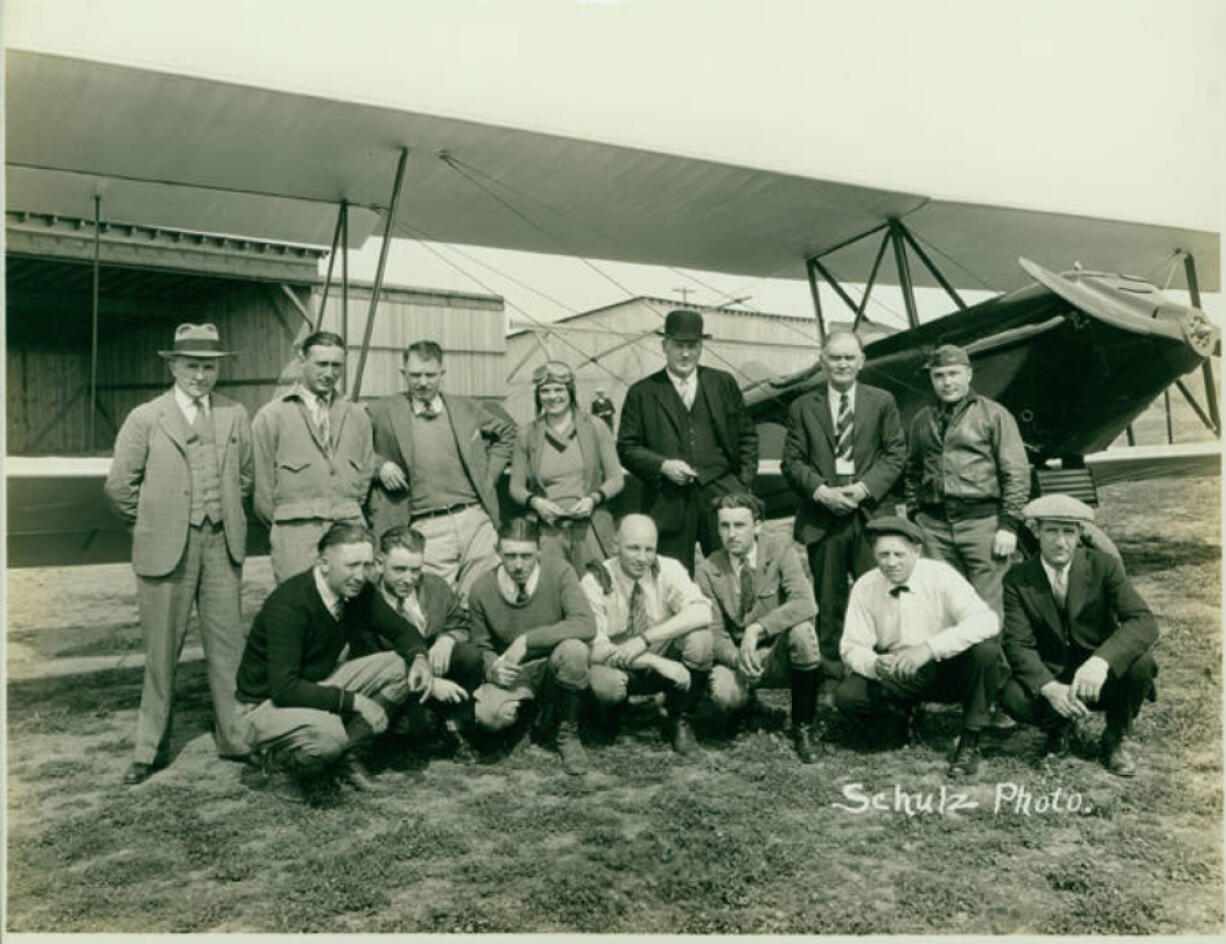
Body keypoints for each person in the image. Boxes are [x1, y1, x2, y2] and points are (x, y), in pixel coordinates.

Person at [104, 322, 254, 785]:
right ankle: (149, 750)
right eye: (192, 365)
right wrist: (154, 523)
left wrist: (219, 516)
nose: (201, 375)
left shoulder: (235, 414)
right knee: (161, 652)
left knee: (229, 649)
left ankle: (237, 738)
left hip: (221, 548)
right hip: (165, 549)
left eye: (209, 366)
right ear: (173, 366)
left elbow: (245, 480)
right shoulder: (146, 417)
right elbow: (119, 487)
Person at [234, 523, 432, 802]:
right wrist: (356, 701)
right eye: (351, 565)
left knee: (400, 666)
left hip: (312, 686)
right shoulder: (290, 604)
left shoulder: (356, 591)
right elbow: (284, 687)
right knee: (329, 738)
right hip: (264, 704)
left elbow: (401, 630)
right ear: (323, 563)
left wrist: (420, 659)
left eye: (366, 565)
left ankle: (346, 760)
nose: (360, 575)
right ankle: (278, 765)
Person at [1000, 495, 1158, 776]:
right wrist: (1048, 687)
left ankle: (1114, 740)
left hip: (1098, 680)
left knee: (1141, 664)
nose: (1061, 542)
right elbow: (1017, 643)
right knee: (1012, 695)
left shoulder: (1103, 566)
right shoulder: (1017, 578)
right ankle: (1057, 731)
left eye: (1069, 532)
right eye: (1051, 531)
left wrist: (1101, 661)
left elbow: (1143, 621)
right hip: (1054, 673)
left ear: (1079, 534)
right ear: (1035, 532)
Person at [782, 329, 906, 681]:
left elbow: (896, 453)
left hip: (871, 517)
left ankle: (884, 672)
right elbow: (792, 461)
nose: (842, 364)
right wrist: (821, 492)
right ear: (822, 361)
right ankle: (832, 676)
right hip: (824, 516)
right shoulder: (803, 407)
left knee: (881, 594)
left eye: (849, 357)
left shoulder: (882, 401)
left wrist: (864, 489)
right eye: (835, 357)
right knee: (829, 600)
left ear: (862, 361)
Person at [836, 517, 1003, 777]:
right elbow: (851, 646)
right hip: (899, 669)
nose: (891, 563)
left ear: (917, 551)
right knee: (849, 695)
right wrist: (874, 664)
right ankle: (901, 718)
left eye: (899, 554)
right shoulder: (865, 586)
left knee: (986, 652)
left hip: (945, 667)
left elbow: (987, 620)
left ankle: (970, 741)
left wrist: (929, 648)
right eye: (883, 554)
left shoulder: (941, 575)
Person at [367, 340, 516, 600]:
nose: (423, 382)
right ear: (403, 373)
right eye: (415, 375)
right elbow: (351, 447)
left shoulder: (464, 407)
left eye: (430, 375)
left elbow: (507, 432)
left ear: (442, 373)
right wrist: (380, 465)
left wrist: (486, 478)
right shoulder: (383, 410)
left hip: (475, 519)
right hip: (426, 524)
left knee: (482, 596)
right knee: (434, 600)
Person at [617, 309, 758, 574]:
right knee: (670, 576)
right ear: (664, 346)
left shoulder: (722, 383)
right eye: (678, 346)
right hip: (667, 501)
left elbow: (747, 436)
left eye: (692, 346)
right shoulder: (642, 392)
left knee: (730, 573)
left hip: (721, 497)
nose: (685, 353)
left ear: (701, 347)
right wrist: (662, 466)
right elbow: (626, 448)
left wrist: (741, 486)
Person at [904, 343, 1029, 616]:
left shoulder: (994, 415)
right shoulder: (921, 421)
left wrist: (1009, 525)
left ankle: (991, 660)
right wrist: (916, 516)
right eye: (939, 375)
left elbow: (1016, 473)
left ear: (969, 374)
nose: (947, 382)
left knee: (987, 610)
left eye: (953, 373)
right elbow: (912, 471)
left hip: (982, 526)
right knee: (943, 606)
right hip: (934, 529)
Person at [696, 493, 823, 763]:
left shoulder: (780, 550)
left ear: (757, 525)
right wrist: (736, 657)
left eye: (739, 525)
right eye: (724, 526)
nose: (731, 534)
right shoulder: (708, 569)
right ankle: (747, 708)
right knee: (724, 695)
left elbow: (806, 603)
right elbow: (715, 631)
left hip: (778, 652)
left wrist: (757, 629)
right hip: (739, 659)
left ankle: (803, 727)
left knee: (802, 631)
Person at [467, 517, 596, 774]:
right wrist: (492, 667)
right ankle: (529, 719)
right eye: (510, 555)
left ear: (539, 550)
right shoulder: (481, 588)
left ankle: (566, 732)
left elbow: (585, 624)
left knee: (575, 651)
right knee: (488, 715)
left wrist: (528, 640)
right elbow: (480, 645)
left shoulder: (559, 572)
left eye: (526, 556)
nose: (518, 565)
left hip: (553, 666)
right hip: (516, 674)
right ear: (497, 552)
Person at [582, 514, 714, 755]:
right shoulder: (595, 580)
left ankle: (680, 718)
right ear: (615, 546)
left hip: (658, 655)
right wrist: (653, 660)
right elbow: (595, 648)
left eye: (649, 549)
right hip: (618, 665)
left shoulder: (668, 569)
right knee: (606, 685)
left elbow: (703, 611)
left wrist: (645, 640)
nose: (642, 558)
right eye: (633, 548)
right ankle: (610, 717)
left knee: (701, 640)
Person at [252, 330, 374, 584]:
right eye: (322, 364)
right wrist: (289, 523)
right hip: (294, 534)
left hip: (347, 527)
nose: (329, 373)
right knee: (298, 608)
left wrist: (345, 509)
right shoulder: (272, 416)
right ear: (301, 360)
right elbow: (263, 493)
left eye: (336, 365)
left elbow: (364, 476)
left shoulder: (357, 415)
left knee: (350, 607)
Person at [357, 526, 485, 758]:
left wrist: (447, 638)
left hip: (435, 665)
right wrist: (431, 683)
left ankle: (458, 727)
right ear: (379, 563)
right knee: (416, 731)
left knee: (470, 655)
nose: (408, 579)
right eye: (399, 569)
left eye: (415, 570)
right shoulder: (366, 600)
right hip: (398, 680)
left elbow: (461, 624)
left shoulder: (435, 586)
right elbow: (372, 660)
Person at [509, 361, 624, 574]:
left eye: (559, 389)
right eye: (545, 391)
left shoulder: (595, 427)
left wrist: (593, 499)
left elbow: (616, 478)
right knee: (552, 592)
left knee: (596, 589)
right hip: (548, 532)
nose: (552, 397)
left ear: (570, 391)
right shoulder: (527, 434)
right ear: (538, 395)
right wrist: (537, 503)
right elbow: (516, 488)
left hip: (590, 529)